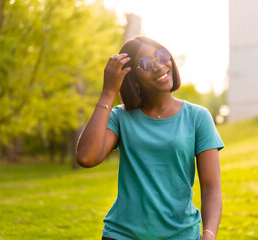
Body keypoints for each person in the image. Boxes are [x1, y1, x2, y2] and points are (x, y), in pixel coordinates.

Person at [76, 36, 224, 240]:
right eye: (145, 64)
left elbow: (211, 187)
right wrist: (109, 92)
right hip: (123, 234)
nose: (158, 66)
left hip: (181, 235)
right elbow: (86, 157)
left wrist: (208, 234)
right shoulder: (121, 116)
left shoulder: (198, 117)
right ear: (133, 77)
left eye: (161, 56)